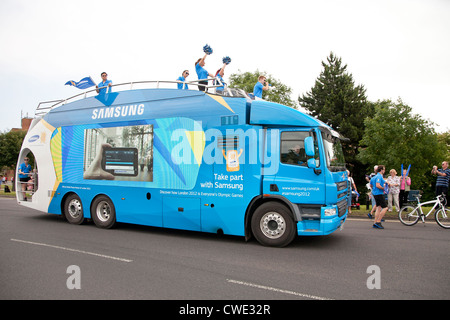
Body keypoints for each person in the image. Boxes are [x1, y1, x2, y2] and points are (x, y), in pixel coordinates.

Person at [370, 165, 388, 229]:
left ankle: (375, 222)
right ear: (381, 170)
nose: (384, 171)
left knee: (378, 207)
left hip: (374, 194)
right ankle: (378, 221)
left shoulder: (374, 177)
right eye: (384, 169)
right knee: (385, 208)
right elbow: (378, 185)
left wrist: (389, 184)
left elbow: (371, 185)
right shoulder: (379, 176)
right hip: (379, 194)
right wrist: (384, 188)